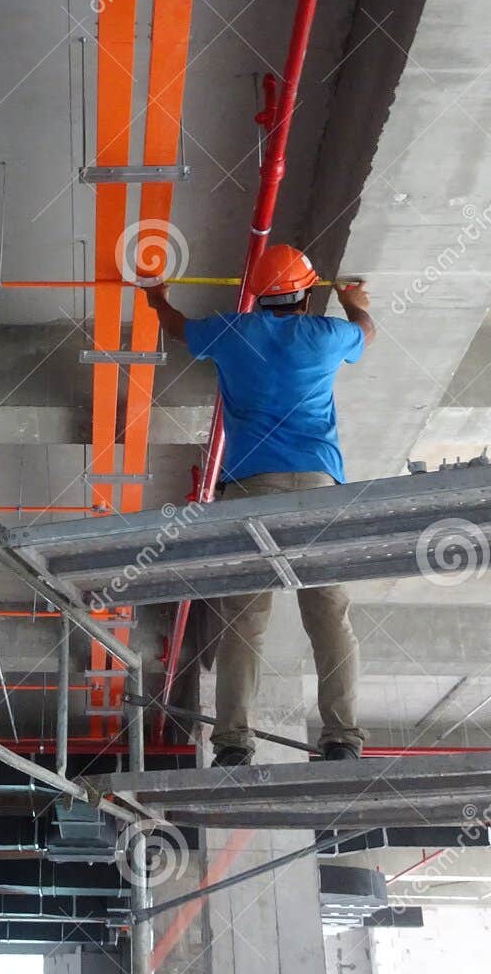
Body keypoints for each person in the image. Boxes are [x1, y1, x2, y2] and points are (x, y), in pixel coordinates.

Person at [142, 244, 375, 766]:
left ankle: (232, 745)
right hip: (320, 492)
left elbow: (180, 329)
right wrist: (353, 299)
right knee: (330, 618)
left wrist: (157, 298)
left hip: (251, 494)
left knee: (243, 623)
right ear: (307, 293)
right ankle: (341, 739)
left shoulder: (233, 333)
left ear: (259, 295)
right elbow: (367, 333)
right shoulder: (327, 336)